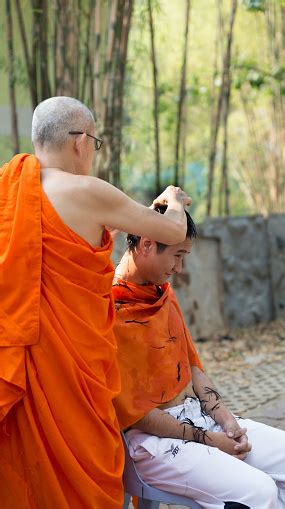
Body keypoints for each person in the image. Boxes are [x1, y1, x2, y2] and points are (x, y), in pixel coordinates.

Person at [0, 96, 191, 509]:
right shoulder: (87, 191)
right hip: (71, 369)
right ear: (80, 142)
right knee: (84, 461)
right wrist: (173, 201)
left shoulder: (6, 191)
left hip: (21, 362)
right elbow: (172, 232)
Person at [112, 205, 285, 509]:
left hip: (198, 418)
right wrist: (211, 440)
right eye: (177, 256)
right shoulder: (107, 308)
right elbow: (136, 414)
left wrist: (228, 423)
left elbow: (192, 367)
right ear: (147, 244)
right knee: (258, 492)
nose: (179, 268)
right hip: (149, 442)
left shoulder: (163, 294)